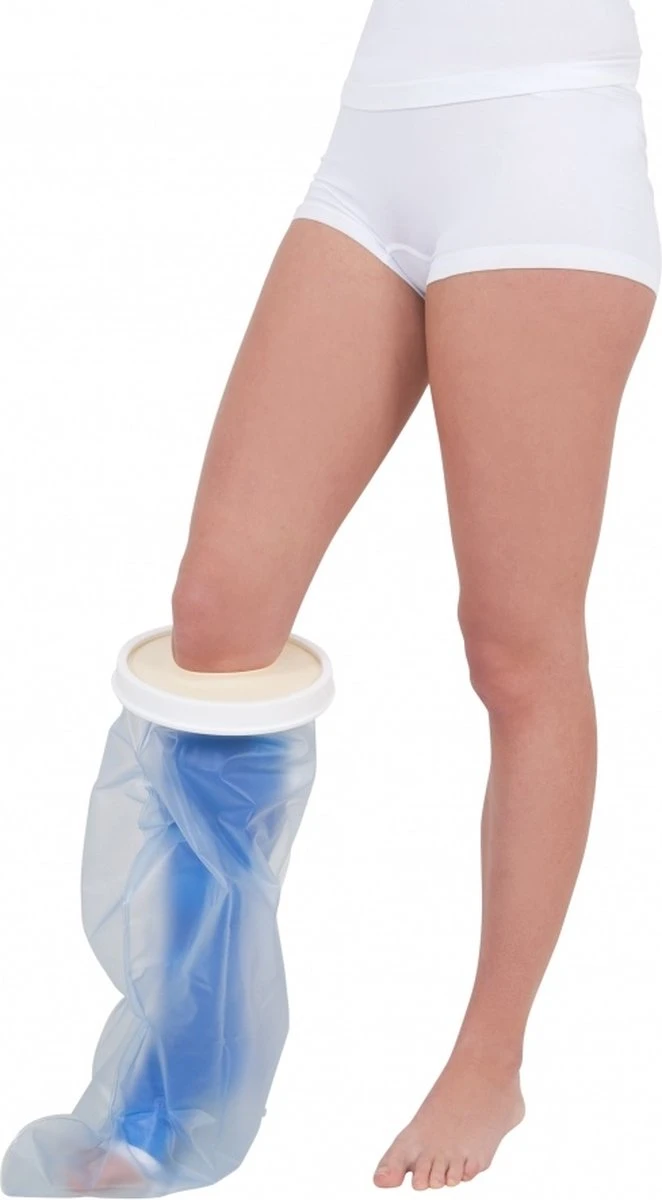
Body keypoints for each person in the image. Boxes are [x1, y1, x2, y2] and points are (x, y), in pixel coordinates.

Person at [168, 0, 660, 1192]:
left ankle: (490, 1061)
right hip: (375, 130)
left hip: (543, 137)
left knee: (514, 648)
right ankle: (188, 1054)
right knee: (218, 620)